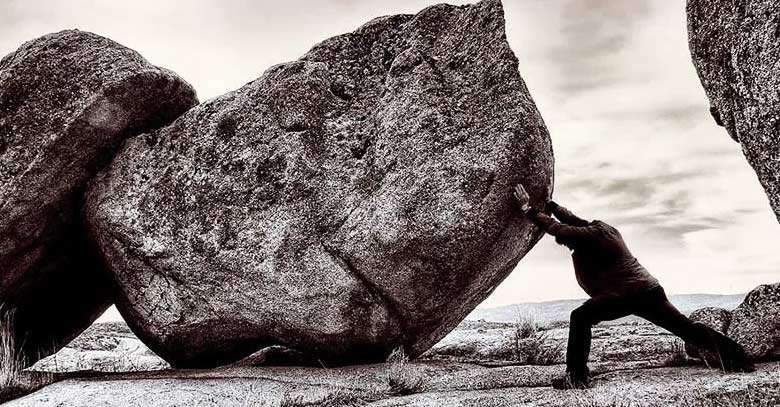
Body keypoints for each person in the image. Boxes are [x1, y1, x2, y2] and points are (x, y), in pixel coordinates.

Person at [512, 184, 755, 390]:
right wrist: (552, 205)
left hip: (623, 294)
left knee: (579, 318)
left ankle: (576, 378)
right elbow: (571, 219)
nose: (565, 243)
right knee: (685, 328)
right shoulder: (602, 228)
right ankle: (738, 358)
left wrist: (527, 209)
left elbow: (558, 228)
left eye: (566, 243)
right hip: (649, 290)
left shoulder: (586, 237)